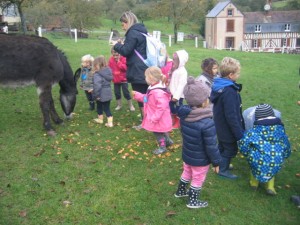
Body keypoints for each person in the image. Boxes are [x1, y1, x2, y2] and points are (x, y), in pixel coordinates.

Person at [174, 76, 221, 209]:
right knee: (198, 177)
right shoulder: (207, 123)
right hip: (200, 159)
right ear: (204, 101)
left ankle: (181, 191)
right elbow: (212, 146)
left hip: (188, 154)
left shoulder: (185, 115)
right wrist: (216, 162)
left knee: (187, 172)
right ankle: (193, 201)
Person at [238, 104, 291, 195]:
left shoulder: (253, 132)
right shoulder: (281, 131)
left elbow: (243, 144)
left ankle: (254, 183)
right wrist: (285, 155)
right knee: (272, 160)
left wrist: (246, 153)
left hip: (257, 161)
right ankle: (270, 187)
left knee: (255, 158)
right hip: (276, 161)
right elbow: (286, 145)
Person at [112, 11, 149, 130]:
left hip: (137, 69)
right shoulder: (141, 31)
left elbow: (126, 51)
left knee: (140, 96)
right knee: (146, 95)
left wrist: (116, 45)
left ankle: (145, 122)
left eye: (123, 24)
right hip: (144, 67)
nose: (122, 27)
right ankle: (147, 118)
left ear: (128, 22)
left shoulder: (132, 33)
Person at [210, 57, 244, 179]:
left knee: (223, 146)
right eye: (237, 73)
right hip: (227, 126)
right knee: (230, 148)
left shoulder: (220, 86)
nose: (238, 75)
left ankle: (219, 164)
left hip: (220, 124)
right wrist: (238, 133)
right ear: (230, 75)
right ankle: (222, 170)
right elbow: (231, 115)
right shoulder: (229, 91)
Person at [132, 66, 173, 155]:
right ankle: (168, 141)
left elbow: (161, 107)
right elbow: (147, 99)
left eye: (146, 76)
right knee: (162, 130)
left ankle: (163, 147)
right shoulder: (152, 88)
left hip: (158, 118)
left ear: (151, 78)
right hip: (157, 117)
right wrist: (138, 95)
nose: (145, 78)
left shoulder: (158, 92)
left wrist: (155, 118)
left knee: (158, 132)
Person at [169, 50, 189, 129]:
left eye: (174, 60)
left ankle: (179, 121)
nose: (173, 61)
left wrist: (176, 96)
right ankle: (174, 119)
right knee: (171, 107)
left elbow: (181, 85)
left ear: (181, 61)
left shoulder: (183, 72)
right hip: (172, 93)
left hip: (178, 96)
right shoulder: (176, 69)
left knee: (178, 109)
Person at [92, 56, 114, 127]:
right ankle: (109, 122)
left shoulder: (97, 74)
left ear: (97, 65)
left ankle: (101, 120)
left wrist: (96, 95)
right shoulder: (108, 71)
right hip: (108, 92)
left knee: (99, 106)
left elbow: (97, 86)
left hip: (100, 94)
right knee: (107, 107)